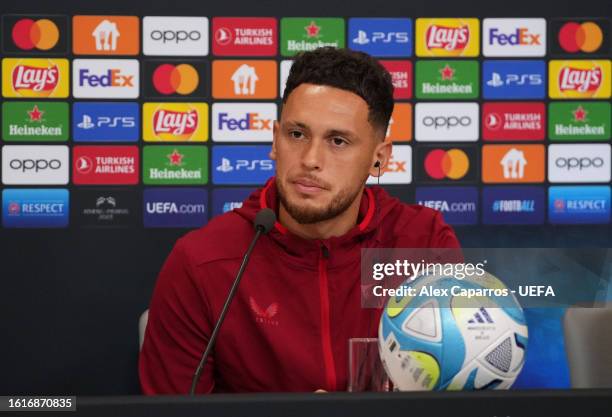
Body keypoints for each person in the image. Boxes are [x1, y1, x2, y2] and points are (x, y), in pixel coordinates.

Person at [139, 47, 460, 394]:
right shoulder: (202, 262)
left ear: (378, 159)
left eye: (338, 141)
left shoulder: (424, 245)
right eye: (296, 135)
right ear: (275, 140)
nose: (310, 159)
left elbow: (454, 397)